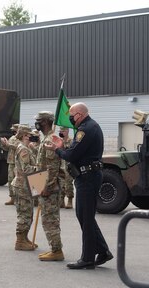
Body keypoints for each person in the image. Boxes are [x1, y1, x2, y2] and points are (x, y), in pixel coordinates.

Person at [45, 102, 113, 270]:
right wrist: (63, 147)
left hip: (88, 177)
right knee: (84, 216)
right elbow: (75, 152)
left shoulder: (85, 129)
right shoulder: (88, 126)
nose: (70, 118)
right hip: (87, 176)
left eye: (72, 115)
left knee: (86, 217)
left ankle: (87, 258)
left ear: (80, 115)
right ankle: (103, 251)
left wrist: (57, 149)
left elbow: (72, 155)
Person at [34, 111, 64, 261]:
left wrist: (47, 187)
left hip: (49, 188)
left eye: (39, 121)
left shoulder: (51, 139)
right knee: (48, 218)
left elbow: (52, 168)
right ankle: (54, 248)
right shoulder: (46, 138)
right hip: (42, 184)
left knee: (50, 220)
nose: (37, 123)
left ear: (45, 122)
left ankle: (57, 251)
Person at [10, 125, 38, 251]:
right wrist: (40, 169)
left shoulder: (26, 148)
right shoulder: (23, 150)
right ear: (24, 135)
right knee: (24, 215)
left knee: (29, 214)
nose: (31, 136)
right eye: (29, 134)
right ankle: (20, 241)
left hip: (27, 185)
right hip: (22, 185)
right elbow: (26, 169)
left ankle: (25, 238)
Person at [2, 124, 20, 205]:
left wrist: (9, 145)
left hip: (18, 163)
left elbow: (18, 147)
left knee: (18, 181)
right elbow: (7, 148)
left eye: (14, 130)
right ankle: (12, 198)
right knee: (10, 180)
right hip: (11, 161)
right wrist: (4, 144)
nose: (13, 131)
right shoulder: (12, 138)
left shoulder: (21, 139)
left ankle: (18, 198)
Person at [57, 127, 74, 209]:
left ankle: (70, 200)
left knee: (68, 183)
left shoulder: (71, 141)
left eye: (62, 131)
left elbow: (71, 151)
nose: (61, 132)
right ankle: (61, 201)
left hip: (68, 165)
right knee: (61, 183)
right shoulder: (59, 141)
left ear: (67, 131)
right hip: (60, 165)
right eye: (60, 131)